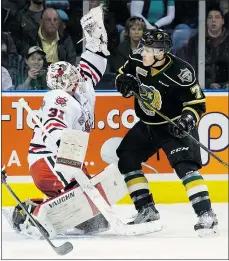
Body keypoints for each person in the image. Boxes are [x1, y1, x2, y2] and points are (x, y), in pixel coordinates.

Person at [8, 5, 113, 238]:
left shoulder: (80, 91)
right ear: (64, 82)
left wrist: (96, 38)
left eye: (75, 74)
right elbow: (56, 130)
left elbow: (93, 64)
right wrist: (66, 159)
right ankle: (29, 213)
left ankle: (38, 207)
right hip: (50, 162)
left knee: (96, 222)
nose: (78, 77)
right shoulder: (59, 97)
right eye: (72, 76)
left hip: (64, 162)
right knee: (85, 202)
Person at [115, 29, 218, 237]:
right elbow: (121, 75)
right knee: (127, 158)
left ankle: (206, 213)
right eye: (142, 47)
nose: (141, 52)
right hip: (147, 124)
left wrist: (186, 119)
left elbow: (197, 103)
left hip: (173, 127)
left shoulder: (181, 72)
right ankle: (146, 209)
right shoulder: (137, 60)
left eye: (147, 49)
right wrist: (123, 83)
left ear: (160, 53)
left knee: (185, 167)